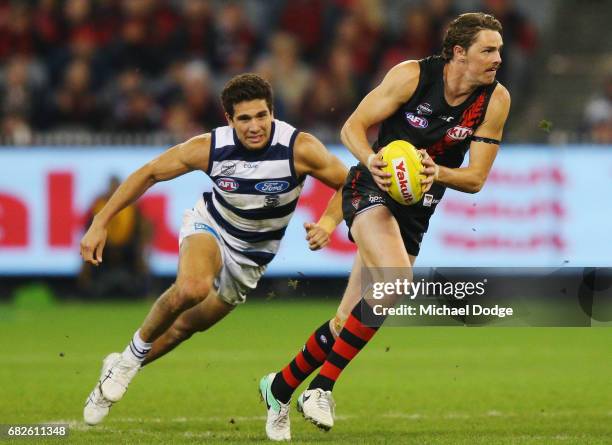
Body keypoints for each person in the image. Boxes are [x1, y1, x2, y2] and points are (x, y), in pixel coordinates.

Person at [259, 12, 511, 438]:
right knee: (396, 280)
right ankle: (320, 389)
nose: (497, 59)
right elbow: (352, 127)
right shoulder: (412, 76)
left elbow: (476, 178)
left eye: (500, 50)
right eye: (488, 50)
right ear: (458, 54)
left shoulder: (495, 100)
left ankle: (279, 386)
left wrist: (438, 173)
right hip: (371, 187)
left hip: (418, 206)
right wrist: (371, 159)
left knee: (345, 321)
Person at [81, 73, 349, 435]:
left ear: (273, 112)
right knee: (192, 287)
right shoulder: (210, 147)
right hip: (211, 227)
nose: (255, 126)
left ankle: (122, 362)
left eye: (261, 116)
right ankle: (128, 361)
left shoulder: (299, 148)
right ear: (229, 119)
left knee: (183, 329)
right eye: (244, 118)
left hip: (252, 259)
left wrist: (329, 223)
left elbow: (349, 184)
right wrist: (101, 220)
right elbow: (149, 173)